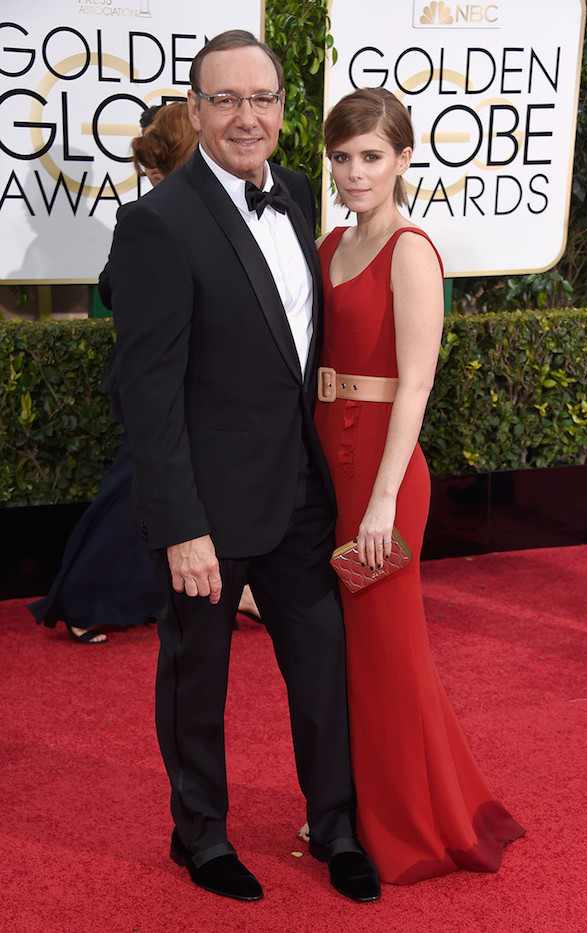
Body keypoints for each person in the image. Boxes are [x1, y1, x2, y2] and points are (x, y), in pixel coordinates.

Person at [104, 31, 380, 903]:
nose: (246, 116)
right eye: (225, 100)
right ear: (195, 111)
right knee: (198, 677)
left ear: (282, 110)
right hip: (208, 510)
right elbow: (146, 393)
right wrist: (181, 525)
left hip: (299, 491)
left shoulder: (298, 194)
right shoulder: (156, 222)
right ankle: (201, 834)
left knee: (324, 667)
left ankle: (333, 825)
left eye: (261, 99)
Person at [306, 87, 525, 883]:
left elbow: (418, 384)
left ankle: (406, 822)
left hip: (383, 473)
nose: (354, 171)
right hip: (327, 459)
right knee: (339, 654)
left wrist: (384, 498)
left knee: (388, 651)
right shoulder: (329, 245)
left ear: (402, 159)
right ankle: (352, 807)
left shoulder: (411, 249)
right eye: (342, 157)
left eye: (370, 156)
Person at [29, 103, 198, 644]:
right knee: (133, 495)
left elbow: (108, 287)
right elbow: (113, 289)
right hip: (157, 386)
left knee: (165, 494)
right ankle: (79, 598)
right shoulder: (152, 216)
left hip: (189, 383)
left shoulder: (176, 210)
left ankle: (199, 592)